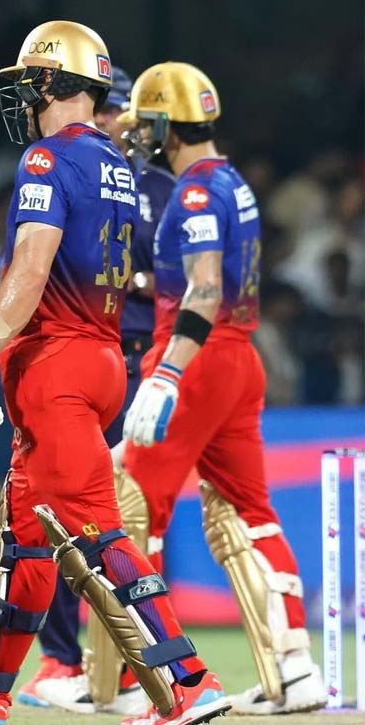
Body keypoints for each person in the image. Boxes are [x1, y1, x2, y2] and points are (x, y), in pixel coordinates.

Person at [0, 22, 229, 725]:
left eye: (29, 82)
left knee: (97, 537)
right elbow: (58, 283)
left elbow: (30, 272)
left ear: (50, 81)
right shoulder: (115, 161)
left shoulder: (48, 157)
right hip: (98, 358)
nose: (23, 97)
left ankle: (190, 683)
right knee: (24, 549)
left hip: (57, 371)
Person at [118, 62, 326, 715]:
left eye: (148, 123)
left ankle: (171, 681)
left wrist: (168, 373)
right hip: (239, 360)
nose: (141, 134)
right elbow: (205, 282)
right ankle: (296, 670)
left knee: (133, 512)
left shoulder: (195, 192)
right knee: (253, 514)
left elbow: (204, 290)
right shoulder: (232, 181)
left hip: (197, 359)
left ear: (167, 125)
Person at [18, 66, 176, 715]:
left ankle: (149, 675)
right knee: (61, 517)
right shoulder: (89, 171)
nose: (115, 123)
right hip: (95, 360)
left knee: (116, 519)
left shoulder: (151, 185)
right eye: (110, 111)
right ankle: (62, 661)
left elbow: (184, 283)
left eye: (122, 113)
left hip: (128, 364)